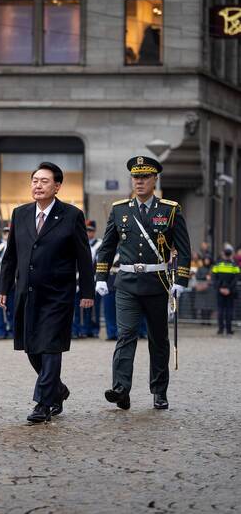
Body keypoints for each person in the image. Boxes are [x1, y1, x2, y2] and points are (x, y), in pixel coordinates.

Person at [0, 162, 94, 424]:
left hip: (57, 294)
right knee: (32, 348)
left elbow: (84, 258)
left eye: (44, 181)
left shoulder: (72, 215)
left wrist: (87, 290)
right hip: (26, 293)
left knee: (50, 346)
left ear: (57, 187)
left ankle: (43, 402)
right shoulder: (20, 214)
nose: (37, 185)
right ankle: (57, 389)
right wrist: (4, 287)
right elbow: (11, 256)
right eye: (34, 181)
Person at [95, 155, 191, 411]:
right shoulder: (119, 209)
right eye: (135, 177)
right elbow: (106, 248)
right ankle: (120, 389)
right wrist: (101, 277)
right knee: (125, 335)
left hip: (157, 282)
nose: (139, 182)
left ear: (154, 179)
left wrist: (180, 279)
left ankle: (159, 391)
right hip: (126, 282)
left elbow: (183, 248)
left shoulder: (170, 209)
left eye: (144, 177)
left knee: (158, 339)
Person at [212, 247, 239, 335]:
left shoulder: (218, 264)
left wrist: (219, 288)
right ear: (231, 254)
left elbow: (214, 278)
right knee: (229, 311)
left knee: (220, 310)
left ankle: (220, 329)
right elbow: (236, 278)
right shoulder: (234, 265)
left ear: (223, 254)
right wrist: (229, 289)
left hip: (220, 291)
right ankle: (228, 330)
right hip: (230, 292)